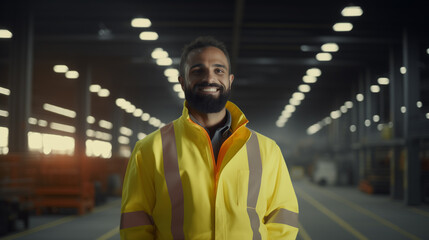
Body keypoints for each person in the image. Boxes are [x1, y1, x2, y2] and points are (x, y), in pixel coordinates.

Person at [120, 36, 299, 239]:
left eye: (218, 70)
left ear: (229, 81)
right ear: (182, 81)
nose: (209, 78)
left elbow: (282, 217)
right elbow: (135, 224)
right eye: (198, 71)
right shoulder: (149, 150)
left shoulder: (268, 150)